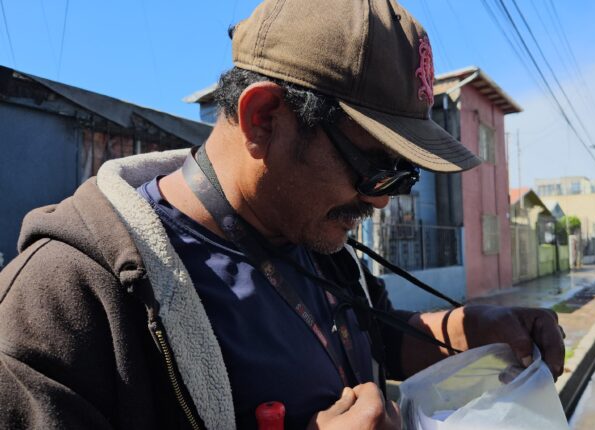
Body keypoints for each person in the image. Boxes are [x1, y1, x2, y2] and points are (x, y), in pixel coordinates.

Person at [0, 1, 564, 429]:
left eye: (402, 175)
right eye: (373, 166)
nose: (382, 199)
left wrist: (473, 331)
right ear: (264, 117)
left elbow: (380, 340)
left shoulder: (318, 241)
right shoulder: (65, 302)